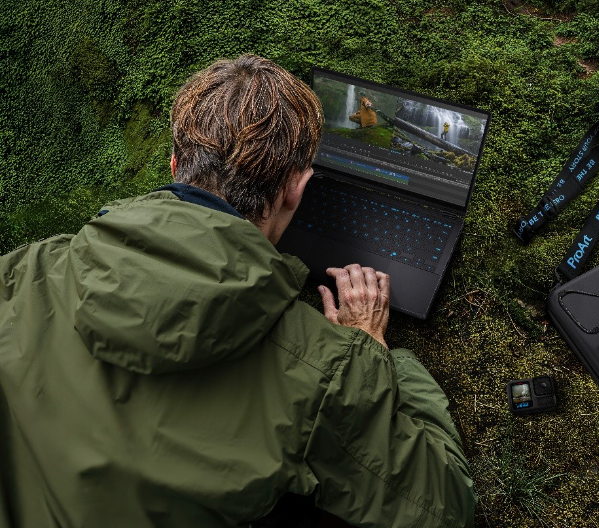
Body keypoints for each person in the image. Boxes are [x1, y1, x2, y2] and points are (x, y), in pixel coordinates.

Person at [0, 54, 476, 527]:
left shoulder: (26, 267)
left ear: (175, 164)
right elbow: (447, 506)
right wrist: (371, 349)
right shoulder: (323, 373)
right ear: (296, 189)